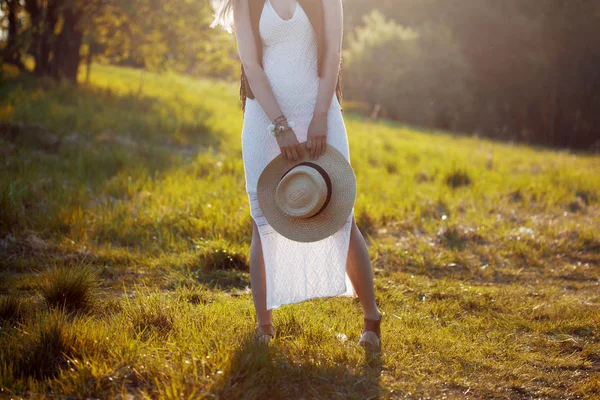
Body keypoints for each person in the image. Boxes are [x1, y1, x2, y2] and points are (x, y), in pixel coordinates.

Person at [211, 0, 382, 348]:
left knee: (339, 215)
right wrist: (280, 126)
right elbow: (251, 65)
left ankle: (371, 321)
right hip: (266, 117)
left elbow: (333, 53)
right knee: (265, 220)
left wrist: (320, 117)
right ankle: (264, 328)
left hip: (319, 107)